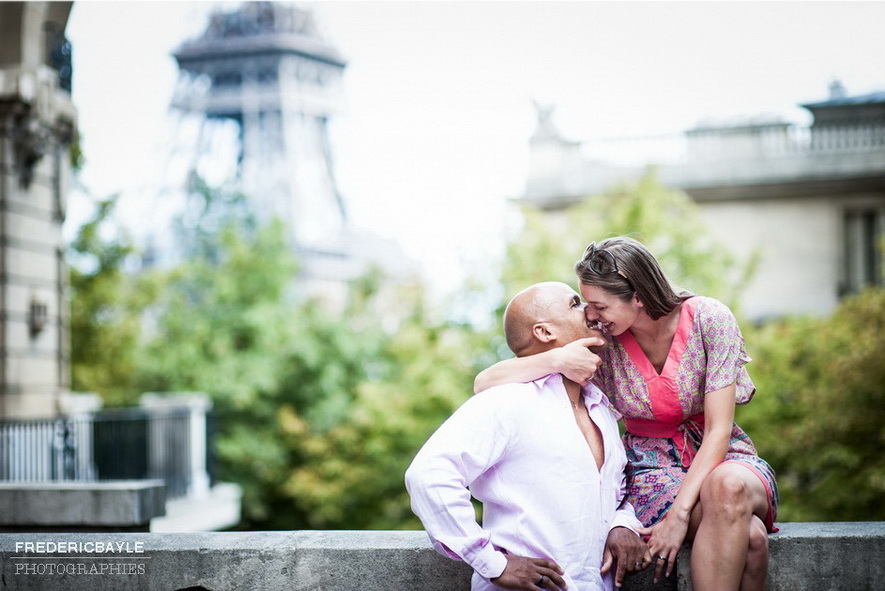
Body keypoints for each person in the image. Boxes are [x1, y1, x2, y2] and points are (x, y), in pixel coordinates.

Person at [474, 237, 779, 591]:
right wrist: (556, 359)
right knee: (752, 537)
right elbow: (486, 380)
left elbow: (718, 431)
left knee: (727, 487)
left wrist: (679, 517)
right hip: (652, 468)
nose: (590, 315)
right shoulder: (604, 338)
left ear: (637, 296)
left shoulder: (710, 319)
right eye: (586, 304)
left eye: (598, 305)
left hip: (723, 456)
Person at [406, 281, 650, 591]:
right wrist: (493, 563)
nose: (590, 312)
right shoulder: (508, 402)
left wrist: (622, 523)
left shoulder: (601, 408)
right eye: (575, 304)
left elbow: (612, 492)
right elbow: (428, 474)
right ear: (545, 332)